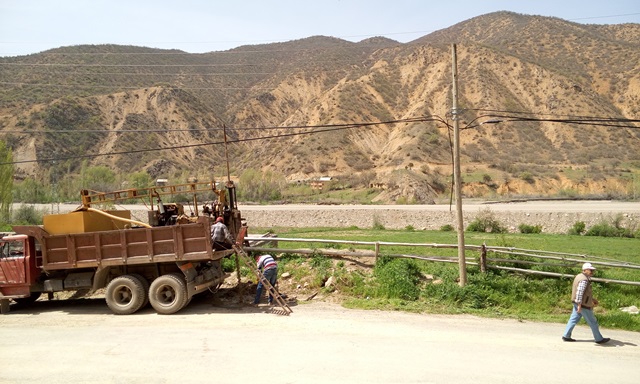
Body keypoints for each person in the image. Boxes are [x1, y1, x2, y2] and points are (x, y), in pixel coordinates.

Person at [562, 262, 610, 344]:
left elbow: (584, 293)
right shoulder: (584, 280)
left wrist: (592, 299)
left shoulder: (579, 276)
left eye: (592, 270)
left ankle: (566, 336)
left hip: (577, 302)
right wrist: (580, 305)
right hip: (583, 304)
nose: (592, 272)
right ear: (584, 270)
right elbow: (580, 293)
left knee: (573, 319)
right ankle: (599, 339)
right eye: (590, 270)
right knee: (592, 322)